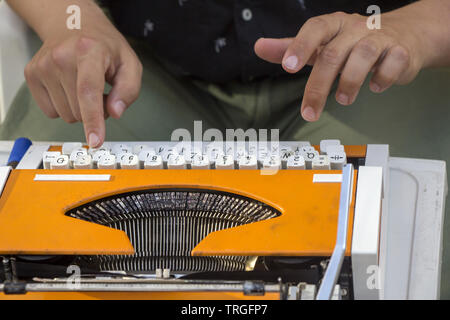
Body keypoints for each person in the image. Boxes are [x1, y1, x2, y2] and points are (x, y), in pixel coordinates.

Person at [2, 0, 449, 296]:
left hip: (374, 65)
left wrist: (417, 27)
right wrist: (71, 20)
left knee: (421, 243)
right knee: (24, 213)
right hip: (137, 68)